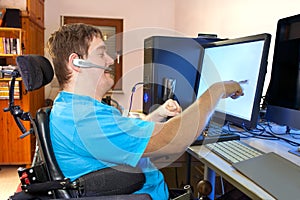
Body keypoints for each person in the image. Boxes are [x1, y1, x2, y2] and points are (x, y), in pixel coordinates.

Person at [47, 23, 244, 200]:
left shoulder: (71, 108)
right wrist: (216, 91)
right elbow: (173, 141)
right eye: (101, 53)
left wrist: (157, 115)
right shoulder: (85, 120)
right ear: (76, 63)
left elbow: (125, 139)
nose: (110, 59)